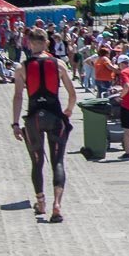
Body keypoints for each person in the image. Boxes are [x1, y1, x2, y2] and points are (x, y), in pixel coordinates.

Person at [11, 28, 78, 223]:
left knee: (37, 161)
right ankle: (57, 204)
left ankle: (41, 202)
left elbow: (17, 96)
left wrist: (15, 123)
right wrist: (69, 110)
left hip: (34, 119)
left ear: (30, 44)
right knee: (58, 161)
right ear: (47, 42)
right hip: (55, 115)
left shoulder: (22, 67)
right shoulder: (58, 64)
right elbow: (72, 93)